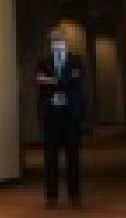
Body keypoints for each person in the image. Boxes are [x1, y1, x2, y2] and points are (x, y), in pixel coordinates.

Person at [33, 29, 89, 207]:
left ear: (66, 41)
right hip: (51, 116)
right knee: (50, 160)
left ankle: (75, 196)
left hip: (71, 116)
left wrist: (51, 81)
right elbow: (38, 80)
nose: (56, 42)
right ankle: (51, 197)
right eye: (53, 40)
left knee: (73, 158)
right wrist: (61, 80)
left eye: (59, 39)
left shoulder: (76, 60)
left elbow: (75, 81)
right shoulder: (43, 61)